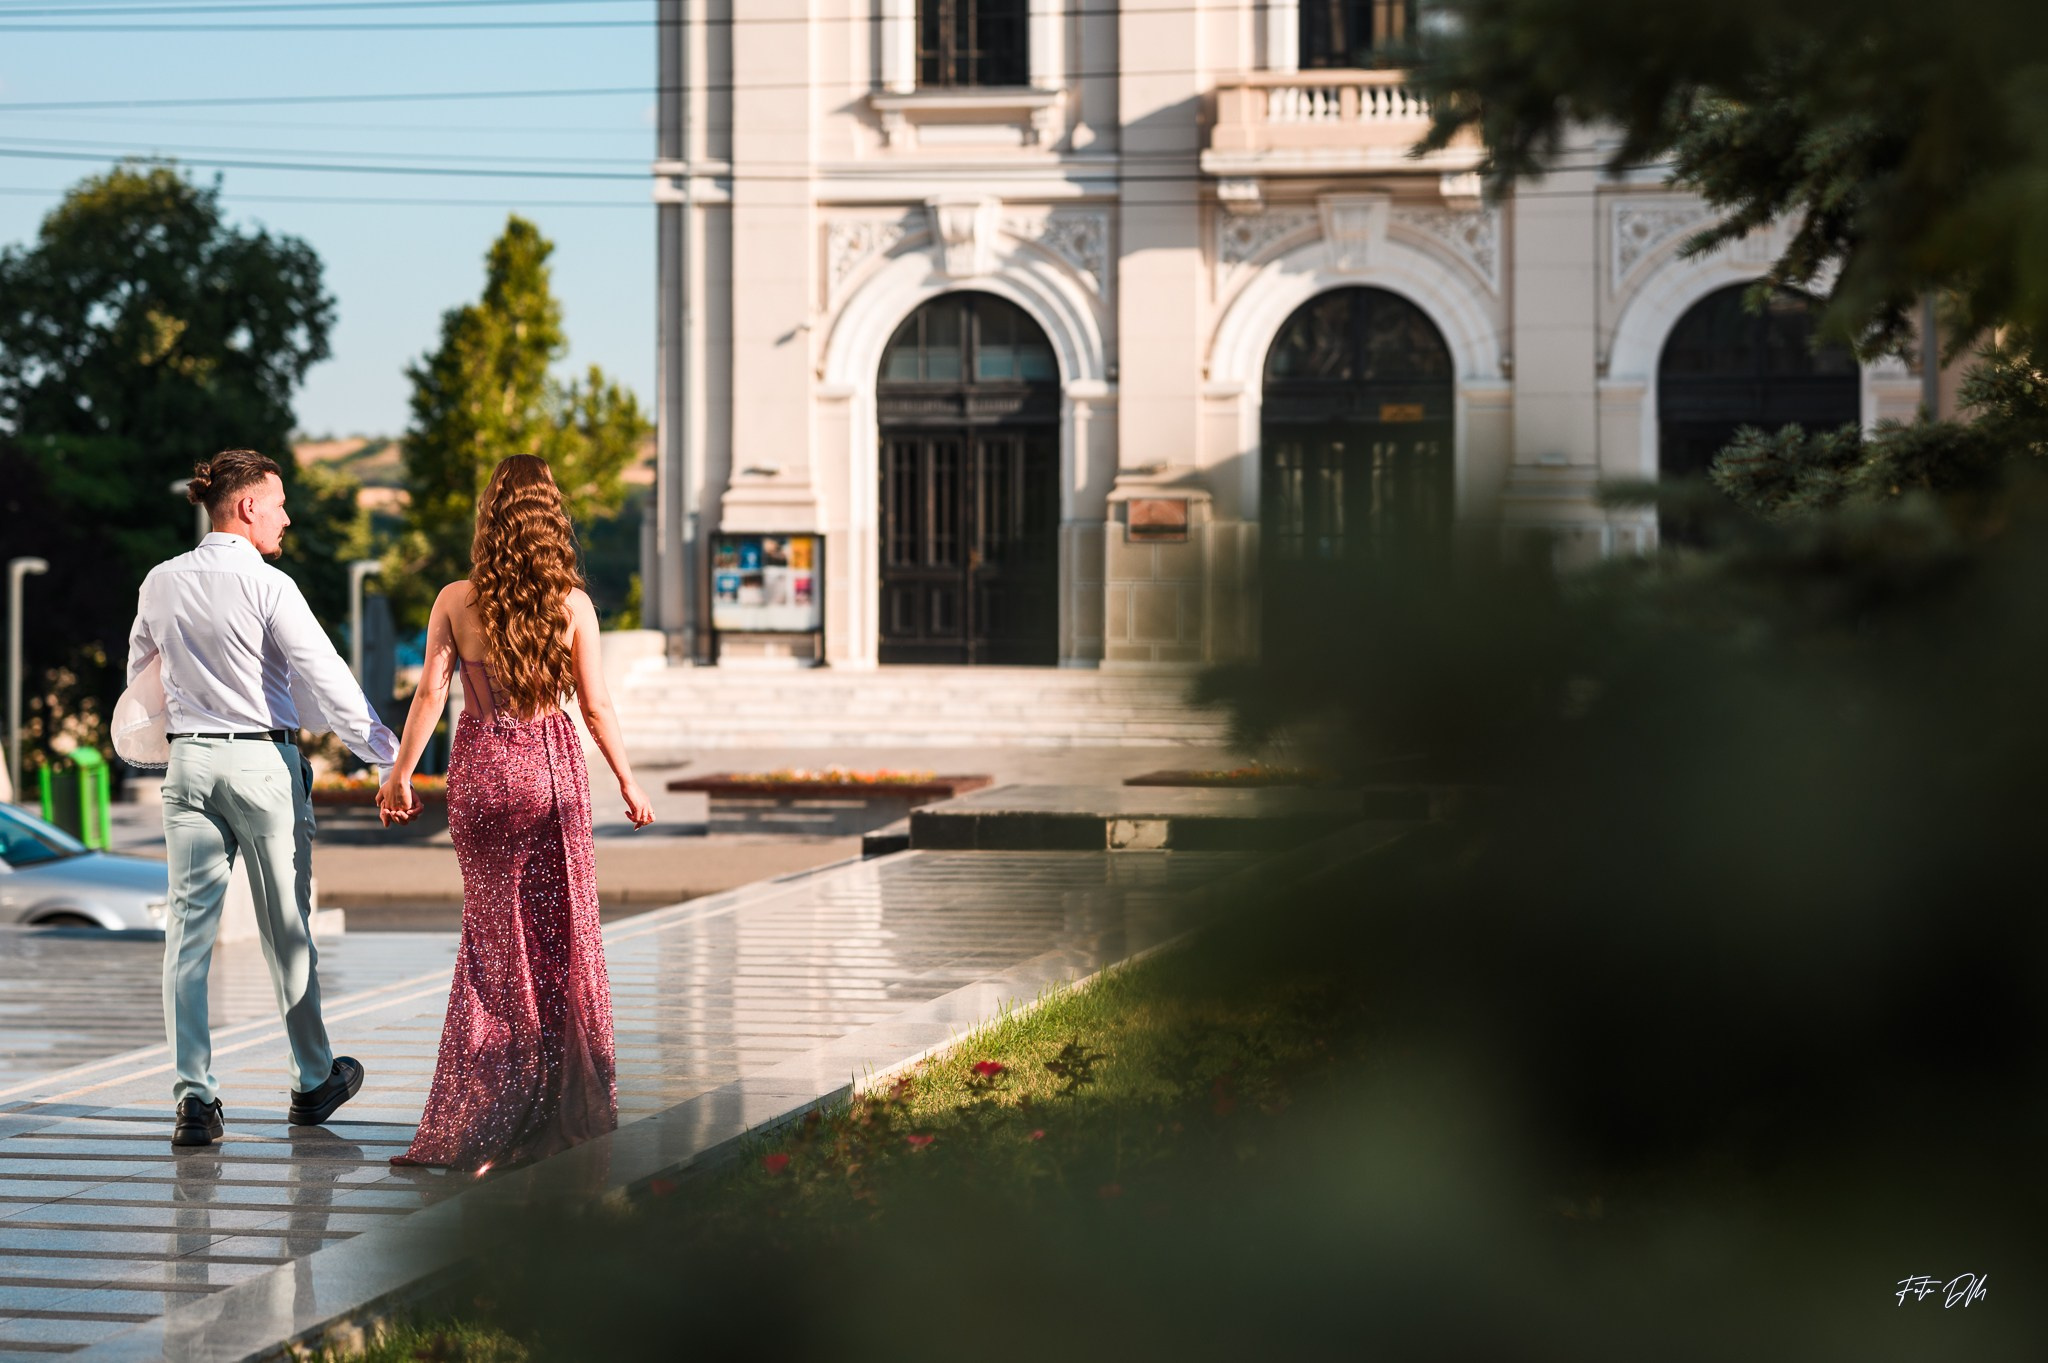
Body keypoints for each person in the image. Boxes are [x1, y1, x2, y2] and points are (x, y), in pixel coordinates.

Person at [376, 455, 654, 1172]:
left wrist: (400, 775)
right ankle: (547, 1110)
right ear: (550, 520)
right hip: (550, 772)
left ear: (490, 518)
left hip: (481, 772)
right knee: (561, 938)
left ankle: (487, 1112)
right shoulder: (573, 605)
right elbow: (594, 705)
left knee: (492, 941)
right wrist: (628, 781)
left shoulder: (455, 599)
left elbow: (430, 695)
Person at [127, 450, 395, 1149]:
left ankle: (194, 1100)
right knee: (286, 928)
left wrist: (174, 746)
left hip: (188, 762)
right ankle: (313, 1079)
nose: (286, 517)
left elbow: (142, 681)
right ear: (247, 506)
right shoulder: (271, 585)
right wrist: (387, 758)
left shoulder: (160, 580)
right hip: (261, 763)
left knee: (187, 937)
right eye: (277, 503)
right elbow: (328, 678)